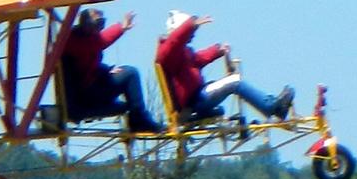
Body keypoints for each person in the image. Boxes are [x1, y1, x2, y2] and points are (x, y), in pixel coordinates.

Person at [155, 10, 294, 123]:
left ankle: (271, 103)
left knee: (232, 81)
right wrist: (191, 24)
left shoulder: (181, 52)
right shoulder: (168, 53)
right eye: (191, 33)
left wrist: (218, 50)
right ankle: (273, 107)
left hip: (196, 98)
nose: (193, 36)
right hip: (193, 102)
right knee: (235, 81)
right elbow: (175, 41)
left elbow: (197, 59)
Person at [60, 8, 160, 133]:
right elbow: (98, 43)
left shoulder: (76, 40)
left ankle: (138, 117)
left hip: (86, 91)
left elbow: (85, 63)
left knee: (125, 71)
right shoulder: (76, 41)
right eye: (99, 22)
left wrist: (106, 69)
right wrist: (121, 28)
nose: (101, 27)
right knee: (131, 73)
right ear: (86, 23)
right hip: (86, 98)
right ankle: (138, 120)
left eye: (103, 22)